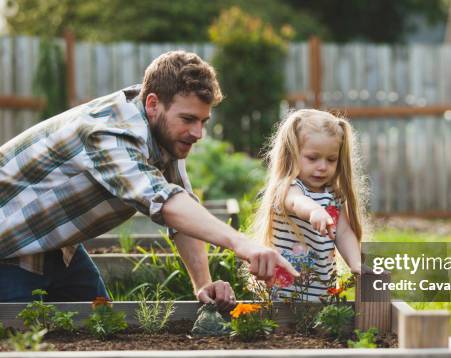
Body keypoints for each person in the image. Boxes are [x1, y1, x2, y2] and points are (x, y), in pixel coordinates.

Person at [0, 50, 297, 307]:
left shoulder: (160, 131)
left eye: (203, 121)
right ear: (154, 104)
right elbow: (163, 201)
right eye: (188, 119)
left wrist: (203, 284)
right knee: (19, 353)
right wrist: (242, 244)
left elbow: (181, 207)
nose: (198, 133)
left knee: (102, 328)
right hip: (9, 249)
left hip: (55, 247)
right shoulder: (108, 134)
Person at [252, 109, 365, 300]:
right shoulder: (287, 188)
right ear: (292, 154)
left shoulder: (334, 196)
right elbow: (297, 203)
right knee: (285, 330)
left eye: (331, 160)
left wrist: (357, 265)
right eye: (313, 158)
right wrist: (314, 211)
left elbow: (344, 233)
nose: (322, 167)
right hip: (284, 295)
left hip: (322, 293)